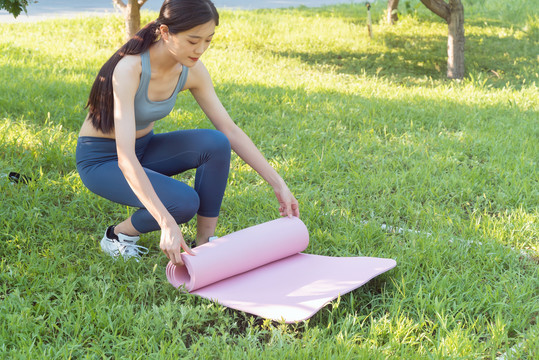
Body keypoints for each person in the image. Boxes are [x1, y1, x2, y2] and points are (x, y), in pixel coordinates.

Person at [76, 0, 299, 266]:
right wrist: (166, 221)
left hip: (144, 149)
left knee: (216, 143)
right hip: (103, 160)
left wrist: (279, 184)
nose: (201, 49)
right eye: (193, 41)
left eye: (208, 40)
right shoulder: (130, 69)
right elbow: (125, 157)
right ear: (166, 32)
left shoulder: (191, 70)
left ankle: (205, 243)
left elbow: (229, 129)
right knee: (182, 203)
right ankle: (117, 235)